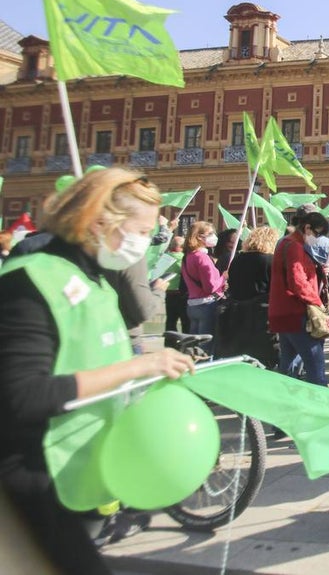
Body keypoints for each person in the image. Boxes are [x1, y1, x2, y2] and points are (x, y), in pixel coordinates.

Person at [0, 169, 196, 574]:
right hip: (30, 481)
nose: (145, 243)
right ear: (99, 221)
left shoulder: (99, 285)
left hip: (75, 478)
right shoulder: (29, 279)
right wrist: (138, 365)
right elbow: (21, 396)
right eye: (141, 232)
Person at [268, 210, 329, 386]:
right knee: (315, 365)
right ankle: (320, 400)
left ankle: (284, 399)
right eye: (317, 234)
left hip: (283, 312)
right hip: (296, 312)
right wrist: (317, 303)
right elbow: (298, 282)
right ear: (307, 228)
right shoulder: (294, 246)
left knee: (288, 367)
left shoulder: (286, 243)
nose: (318, 238)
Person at [217, 225, 277, 366]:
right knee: (263, 355)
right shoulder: (271, 260)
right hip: (261, 313)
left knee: (243, 352)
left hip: (237, 312)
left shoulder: (237, 259)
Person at [181, 221, 225, 352]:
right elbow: (210, 287)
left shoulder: (187, 257)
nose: (214, 236)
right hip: (207, 304)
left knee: (193, 345)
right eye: (210, 233)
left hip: (192, 305)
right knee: (205, 347)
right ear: (199, 237)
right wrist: (223, 278)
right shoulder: (202, 257)